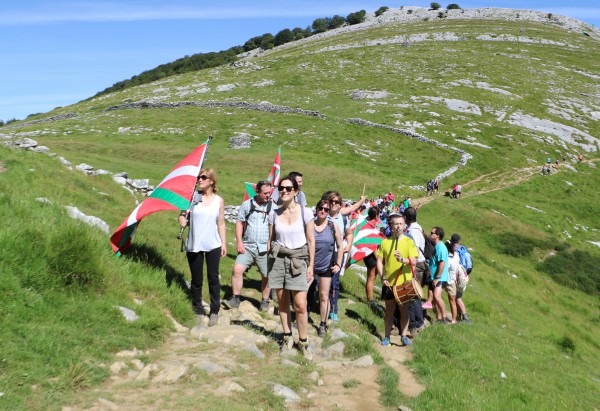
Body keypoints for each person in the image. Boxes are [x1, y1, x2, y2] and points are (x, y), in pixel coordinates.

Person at [267, 176, 315, 359]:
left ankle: (303, 342)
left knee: (300, 304)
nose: (284, 191)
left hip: (298, 259)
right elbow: (270, 240)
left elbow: (311, 241)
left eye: (288, 188)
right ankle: (287, 336)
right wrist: (268, 263)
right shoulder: (274, 213)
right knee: (282, 302)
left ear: (296, 191)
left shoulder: (306, 212)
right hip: (278, 259)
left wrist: (310, 265)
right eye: (281, 188)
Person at [179, 168, 227, 327]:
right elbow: (183, 214)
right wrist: (182, 219)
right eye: (199, 177)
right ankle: (198, 309)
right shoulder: (193, 197)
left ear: (212, 181)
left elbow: (221, 223)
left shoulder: (219, 200)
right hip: (194, 243)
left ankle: (214, 311)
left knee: (213, 278)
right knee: (196, 279)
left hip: (213, 243)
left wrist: (224, 243)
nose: (199, 180)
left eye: (203, 177)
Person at [224, 180, 272, 311]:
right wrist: (239, 242)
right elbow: (239, 223)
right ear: (257, 192)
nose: (268, 195)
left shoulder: (273, 207)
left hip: (265, 248)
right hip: (248, 246)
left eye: (270, 192)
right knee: (237, 270)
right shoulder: (247, 205)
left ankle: (265, 301)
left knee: (267, 275)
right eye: (265, 193)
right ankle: (235, 298)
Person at [376, 214, 418, 346]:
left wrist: (402, 260)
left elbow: (414, 261)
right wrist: (382, 276)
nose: (399, 226)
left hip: (404, 282)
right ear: (391, 226)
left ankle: (404, 335)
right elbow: (379, 261)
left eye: (401, 223)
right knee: (389, 310)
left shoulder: (409, 242)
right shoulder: (385, 242)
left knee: (404, 310)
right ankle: (387, 336)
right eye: (396, 224)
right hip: (389, 282)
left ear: (404, 225)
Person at [325, 191, 366, 321]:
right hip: (322, 253)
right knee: (316, 281)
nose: (333, 204)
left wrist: (348, 245)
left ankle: (333, 310)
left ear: (340, 204)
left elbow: (348, 233)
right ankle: (314, 306)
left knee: (334, 282)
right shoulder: (322, 214)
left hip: (337, 253)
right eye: (331, 201)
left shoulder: (343, 218)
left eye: (336, 202)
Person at [311, 199, 343, 336]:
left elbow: (340, 247)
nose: (323, 211)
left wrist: (338, 264)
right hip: (310, 265)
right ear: (317, 209)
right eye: (321, 208)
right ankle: (302, 315)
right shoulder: (309, 225)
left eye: (326, 209)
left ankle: (322, 324)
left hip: (326, 265)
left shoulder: (333, 226)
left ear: (329, 212)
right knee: (304, 293)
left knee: (323, 295)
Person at [403, 207, 427, 335]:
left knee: (412, 293)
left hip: (416, 264)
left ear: (406, 218)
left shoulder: (414, 230)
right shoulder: (416, 228)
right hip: (416, 263)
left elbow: (415, 249)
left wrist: (409, 262)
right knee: (415, 293)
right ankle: (418, 321)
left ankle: (415, 323)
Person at [427, 226, 448, 323]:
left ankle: (444, 318)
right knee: (435, 298)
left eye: (432, 233)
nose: (430, 234)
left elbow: (442, 263)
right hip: (434, 276)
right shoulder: (436, 246)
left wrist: (437, 277)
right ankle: (438, 318)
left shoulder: (441, 247)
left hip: (439, 277)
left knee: (437, 296)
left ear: (437, 235)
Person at [450, 233, 472, 322]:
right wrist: (464, 275)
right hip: (463, 277)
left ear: (452, 241)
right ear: (459, 241)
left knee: (457, 298)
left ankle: (465, 317)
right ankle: (460, 316)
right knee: (457, 297)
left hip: (454, 276)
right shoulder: (465, 252)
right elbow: (469, 267)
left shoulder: (453, 251)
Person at [444, 241, 459, 324]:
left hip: (450, 280)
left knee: (452, 300)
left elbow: (447, 267)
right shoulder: (456, 255)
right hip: (453, 279)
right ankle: (454, 318)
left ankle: (454, 319)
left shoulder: (449, 258)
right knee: (452, 300)